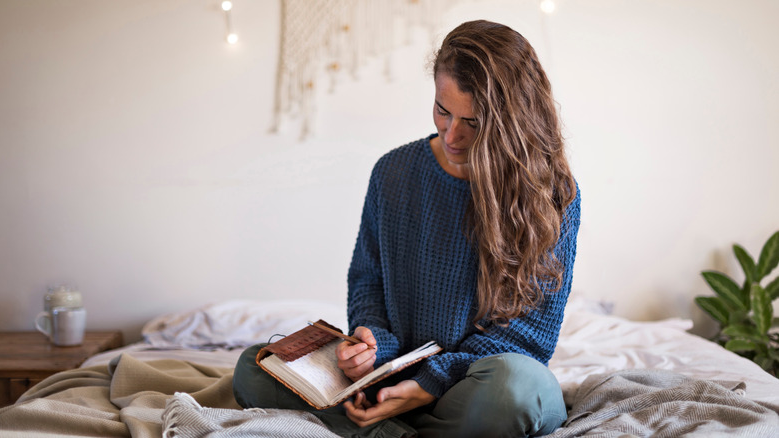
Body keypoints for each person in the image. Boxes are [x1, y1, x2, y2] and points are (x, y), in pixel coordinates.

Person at [233, 19, 581, 438]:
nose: (452, 135)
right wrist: (370, 343)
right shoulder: (392, 172)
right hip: (390, 383)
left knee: (522, 389)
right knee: (255, 367)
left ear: (512, 122)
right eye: (442, 110)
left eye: (473, 122)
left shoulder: (551, 194)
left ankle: (382, 431)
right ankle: (394, 428)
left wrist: (429, 385)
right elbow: (368, 281)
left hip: (468, 388)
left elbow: (529, 339)